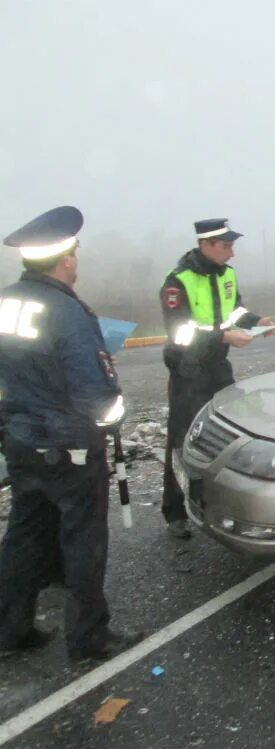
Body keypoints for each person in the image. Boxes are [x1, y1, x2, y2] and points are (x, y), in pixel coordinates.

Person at [0, 206, 143, 661]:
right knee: (84, 543)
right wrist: (114, 413)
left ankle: (9, 630)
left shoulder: (6, 302)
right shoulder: (68, 312)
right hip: (70, 450)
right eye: (75, 254)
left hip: (20, 442)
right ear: (65, 259)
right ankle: (88, 639)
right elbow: (96, 398)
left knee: (23, 538)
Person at [160, 219, 274, 539]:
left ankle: (218, 503)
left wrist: (255, 321)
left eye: (232, 245)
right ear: (205, 245)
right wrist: (223, 338)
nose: (232, 252)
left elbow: (234, 312)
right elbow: (179, 334)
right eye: (225, 246)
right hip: (187, 370)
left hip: (216, 368)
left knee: (229, 433)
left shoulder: (227, 274)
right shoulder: (177, 282)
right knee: (183, 439)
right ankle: (174, 512)